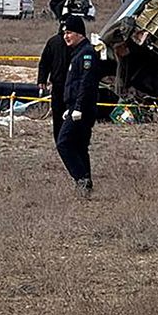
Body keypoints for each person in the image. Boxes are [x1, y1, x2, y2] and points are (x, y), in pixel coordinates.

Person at [56, 15, 99, 197]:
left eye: (70, 33)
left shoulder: (87, 53)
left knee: (63, 143)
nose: (66, 36)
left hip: (83, 108)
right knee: (79, 146)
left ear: (80, 34)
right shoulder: (77, 54)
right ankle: (86, 185)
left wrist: (79, 107)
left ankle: (81, 179)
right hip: (75, 106)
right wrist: (70, 106)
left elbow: (86, 83)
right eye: (65, 33)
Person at [37, 18, 71, 141]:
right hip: (57, 85)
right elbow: (44, 63)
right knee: (57, 115)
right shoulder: (53, 42)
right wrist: (42, 80)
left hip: (73, 86)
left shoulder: (77, 44)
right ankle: (59, 140)